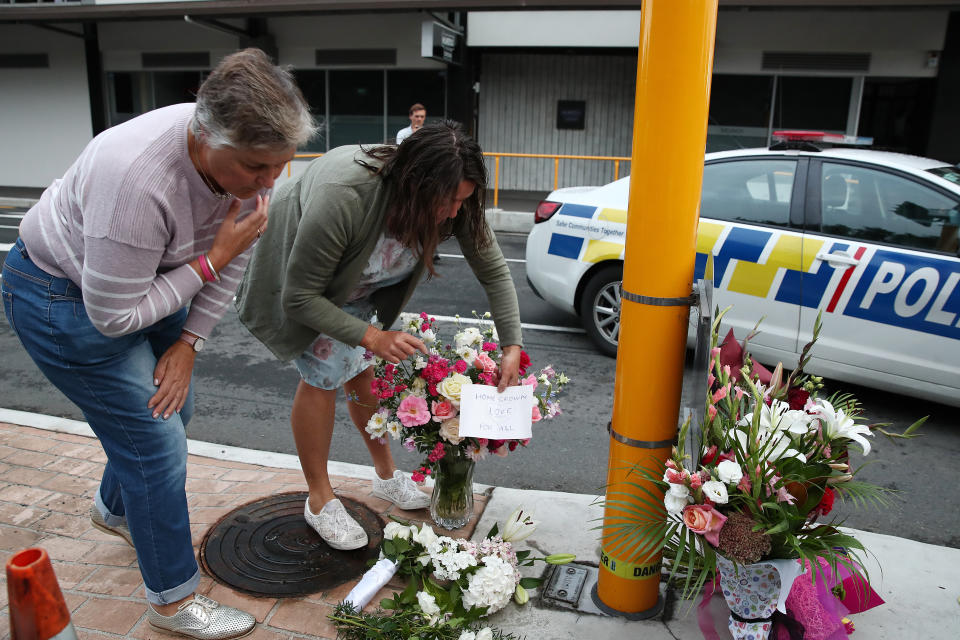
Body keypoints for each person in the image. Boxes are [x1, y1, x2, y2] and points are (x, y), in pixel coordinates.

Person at [1, 48, 315, 639]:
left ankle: (115, 510)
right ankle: (171, 601)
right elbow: (116, 316)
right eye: (256, 168)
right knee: (155, 443)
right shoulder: (136, 179)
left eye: (281, 166)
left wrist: (190, 341)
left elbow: (232, 261)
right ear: (207, 136)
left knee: (178, 404)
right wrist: (214, 254)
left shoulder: (241, 161)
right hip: (62, 297)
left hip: (148, 285)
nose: (269, 183)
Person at [236, 121, 523, 551]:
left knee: (361, 371)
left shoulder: (452, 199)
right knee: (323, 370)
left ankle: (386, 478)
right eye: (448, 202)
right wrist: (372, 335)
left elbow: (494, 270)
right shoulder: (346, 195)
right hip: (312, 279)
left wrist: (512, 344)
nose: (454, 213)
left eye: (464, 201)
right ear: (414, 186)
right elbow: (300, 297)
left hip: (362, 281)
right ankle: (319, 499)